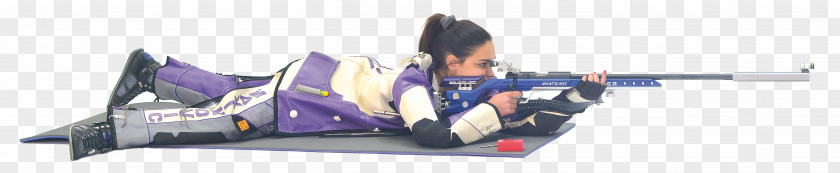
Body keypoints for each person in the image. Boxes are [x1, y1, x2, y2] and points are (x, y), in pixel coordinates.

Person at [68, 13, 608, 160]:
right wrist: (492, 109)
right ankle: (111, 133)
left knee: (228, 88)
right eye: (484, 65)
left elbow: (509, 110)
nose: (490, 74)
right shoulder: (415, 83)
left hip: (316, 77)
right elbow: (433, 138)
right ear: (452, 61)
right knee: (224, 118)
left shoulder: (433, 76)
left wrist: (577, 96)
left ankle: (150, 71)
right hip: (301, 98)